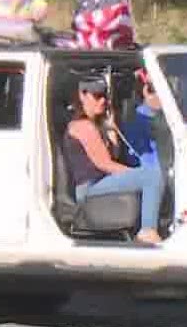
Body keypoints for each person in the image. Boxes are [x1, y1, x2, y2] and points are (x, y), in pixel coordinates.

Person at [63, 77, 164, 244]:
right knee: (152, 176)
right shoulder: (82, 126)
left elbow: (114, 154)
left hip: (101, 182)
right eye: (96, 96)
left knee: (149, 175)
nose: (102, 100)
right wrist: (137, 175)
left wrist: (111, 128)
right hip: (89, 188)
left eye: (104, 96)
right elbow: (105, 164)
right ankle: (147, 230)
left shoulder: (95, 125)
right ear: (83, 96)